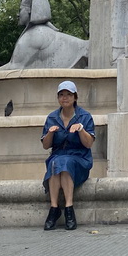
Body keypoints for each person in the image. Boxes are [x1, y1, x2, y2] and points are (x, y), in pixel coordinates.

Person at [41, 80, 95, 231]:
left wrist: (81, 130)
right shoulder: (52, 117)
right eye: (61, 95)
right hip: (58, 157)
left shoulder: (85, 116)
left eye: (69, 94)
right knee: (55, 163)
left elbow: (89, 144)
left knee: (63, 163)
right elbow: (46, 145)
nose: (65, 98)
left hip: (79, 158)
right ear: (58, 98)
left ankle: (68, 207)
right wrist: (50, 133)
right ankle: (54, 207)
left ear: (75, 97)